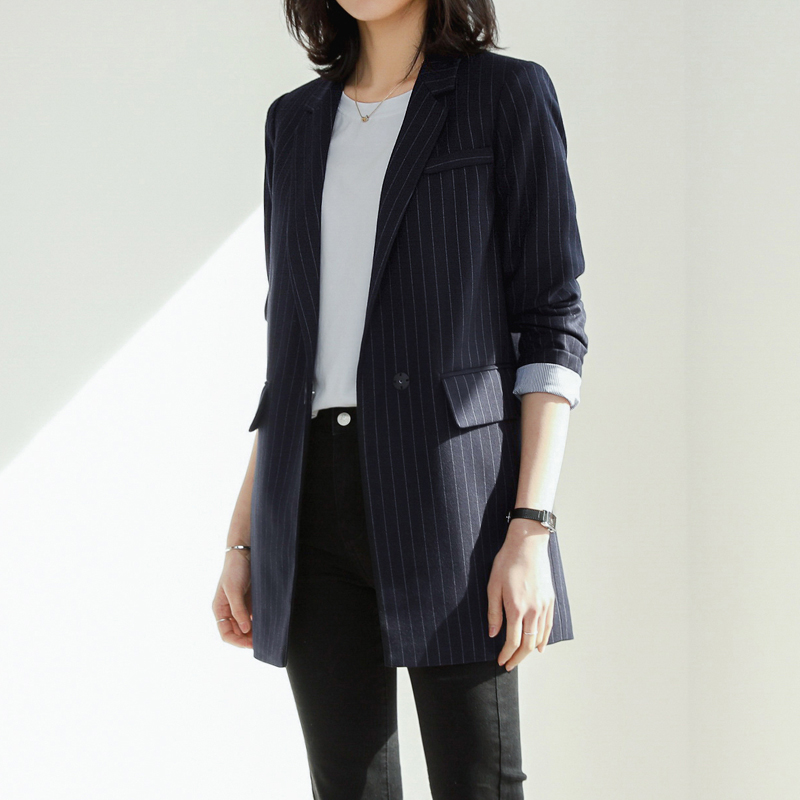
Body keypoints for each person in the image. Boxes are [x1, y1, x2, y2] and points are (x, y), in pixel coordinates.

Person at [212, 0, 588, 797]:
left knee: (479, 783)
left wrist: (530, 527)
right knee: (346, 785)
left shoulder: (505, 95)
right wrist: (243, 538)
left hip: (453, 497)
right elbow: (292, 347)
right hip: (309, 497)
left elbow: (552, 322)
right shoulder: (294, 122)